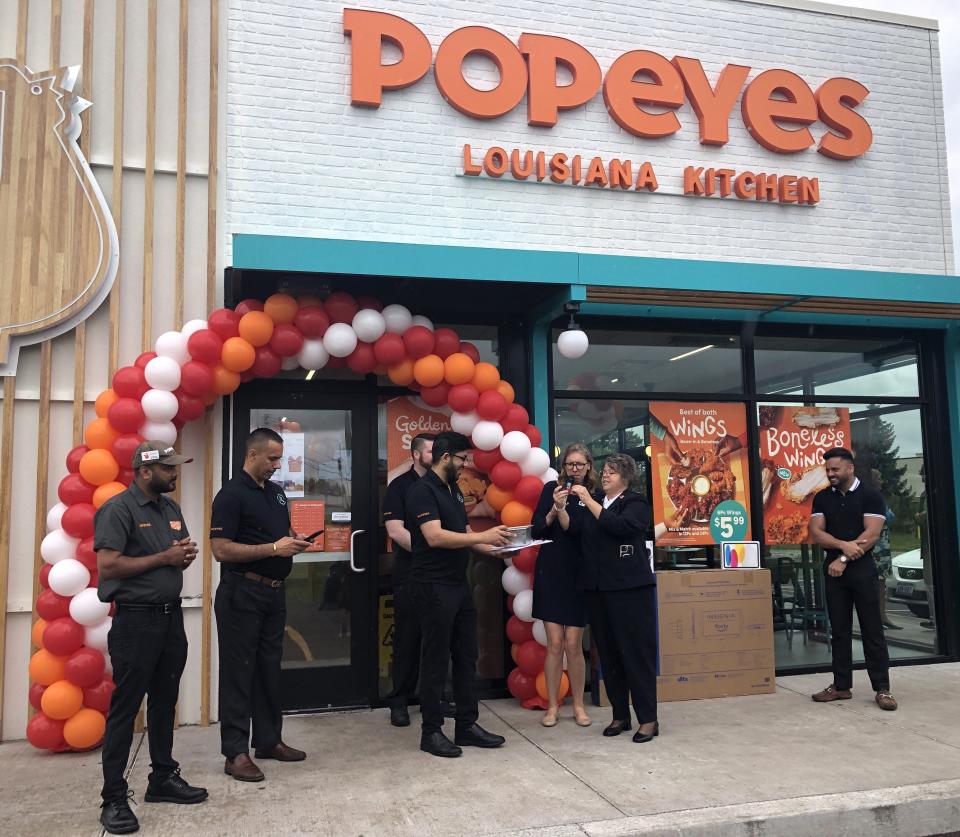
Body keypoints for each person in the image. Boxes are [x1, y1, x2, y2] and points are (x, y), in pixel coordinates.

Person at [94, 441, 208, 835]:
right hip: (136, 623)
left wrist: (184, 554)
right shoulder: (118, 510)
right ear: (145, 472)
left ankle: (162, 778)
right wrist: (165, 559)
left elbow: (176, 550)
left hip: (169, 620)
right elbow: (108, 565)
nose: (175, 474)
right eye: (168, 468)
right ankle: (113, 797)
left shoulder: (170, 508)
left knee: (165, 702)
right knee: (126, 708)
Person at [210, 428, 312, 782]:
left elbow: (276, 536)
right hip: (242, 592)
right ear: (251, 455)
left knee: (269, 669)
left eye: (279, 458)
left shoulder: (277, 494)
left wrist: (293, 542)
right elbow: (221, 549)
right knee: (239, 672)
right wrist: (272, 550)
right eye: (271, 458)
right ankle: (235, 752)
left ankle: (268, 741)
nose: (276, 465)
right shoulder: (231, 495)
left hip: (273, 593)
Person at [405, 430, 514, 757]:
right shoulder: (420, 492)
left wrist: (495, 548)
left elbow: (465, 533)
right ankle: (432, 732)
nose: (466, 465)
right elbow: (436, 537)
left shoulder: (452, 490)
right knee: (436, 660)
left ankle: (466, 724)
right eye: (462, 459)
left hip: (457, 584)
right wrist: (484, 537)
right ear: (445, 457)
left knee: (467, 657)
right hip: (432, 585)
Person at [563, 452, 658, 743]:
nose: (604, 476)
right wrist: (560, 508)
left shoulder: (635, 503)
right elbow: (573, 530)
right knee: (610, 655)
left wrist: (588, 501)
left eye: (612, 472)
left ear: (626, 478)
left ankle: (648, 719)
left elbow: (620, 527)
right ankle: (620, 715)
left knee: (635, 654)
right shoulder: (596, 504)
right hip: (598, 590)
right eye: (604, 471)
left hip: (629, 591)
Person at [809, 447, 897, 711]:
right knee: (839, 629)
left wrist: (844, 558)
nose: (830, 474)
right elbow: (816, 532)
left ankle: (882, 689)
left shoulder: (871, 496)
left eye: (835, 469)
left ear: (850, 468)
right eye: (827, 470)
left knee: (872, 630)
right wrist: (842, 546)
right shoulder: (822, 498)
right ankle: (841, 686)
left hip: (861, 569)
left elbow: (871, 535)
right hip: (834, 569)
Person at [382, 432, 449, 727]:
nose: (435, 455)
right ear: (415, 454)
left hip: (442, 574)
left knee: (437, 638)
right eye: (430, 451)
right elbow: (396, 530)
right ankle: (399, 701)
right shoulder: (399, 487)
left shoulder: (447, 486)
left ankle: (433, 699)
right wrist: (429, 548)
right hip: (410, 572)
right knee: (407, 638)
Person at [531, 442, 593, 728]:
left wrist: (563, 510)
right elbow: (537, 528)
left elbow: (576, 530)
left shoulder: (593, 494)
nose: (575, 469)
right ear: (564, 466)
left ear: (589, 466)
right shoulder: (549, 489)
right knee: (554, 644)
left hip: (580, 572)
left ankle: (579, 706)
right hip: (551, 570)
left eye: (580, 464)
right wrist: (554, 508)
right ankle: (553, 706)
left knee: (573, 644)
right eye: (571, 464)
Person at [869, 468, 900, 630]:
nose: (882, 481)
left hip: (881, 544)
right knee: (876, 581)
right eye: (879, 477)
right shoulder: (872, 497)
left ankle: (882, 615)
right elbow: (888, 516)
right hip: (876, 546)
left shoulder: (877, 497)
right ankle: (878, 616)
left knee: (881, 582)